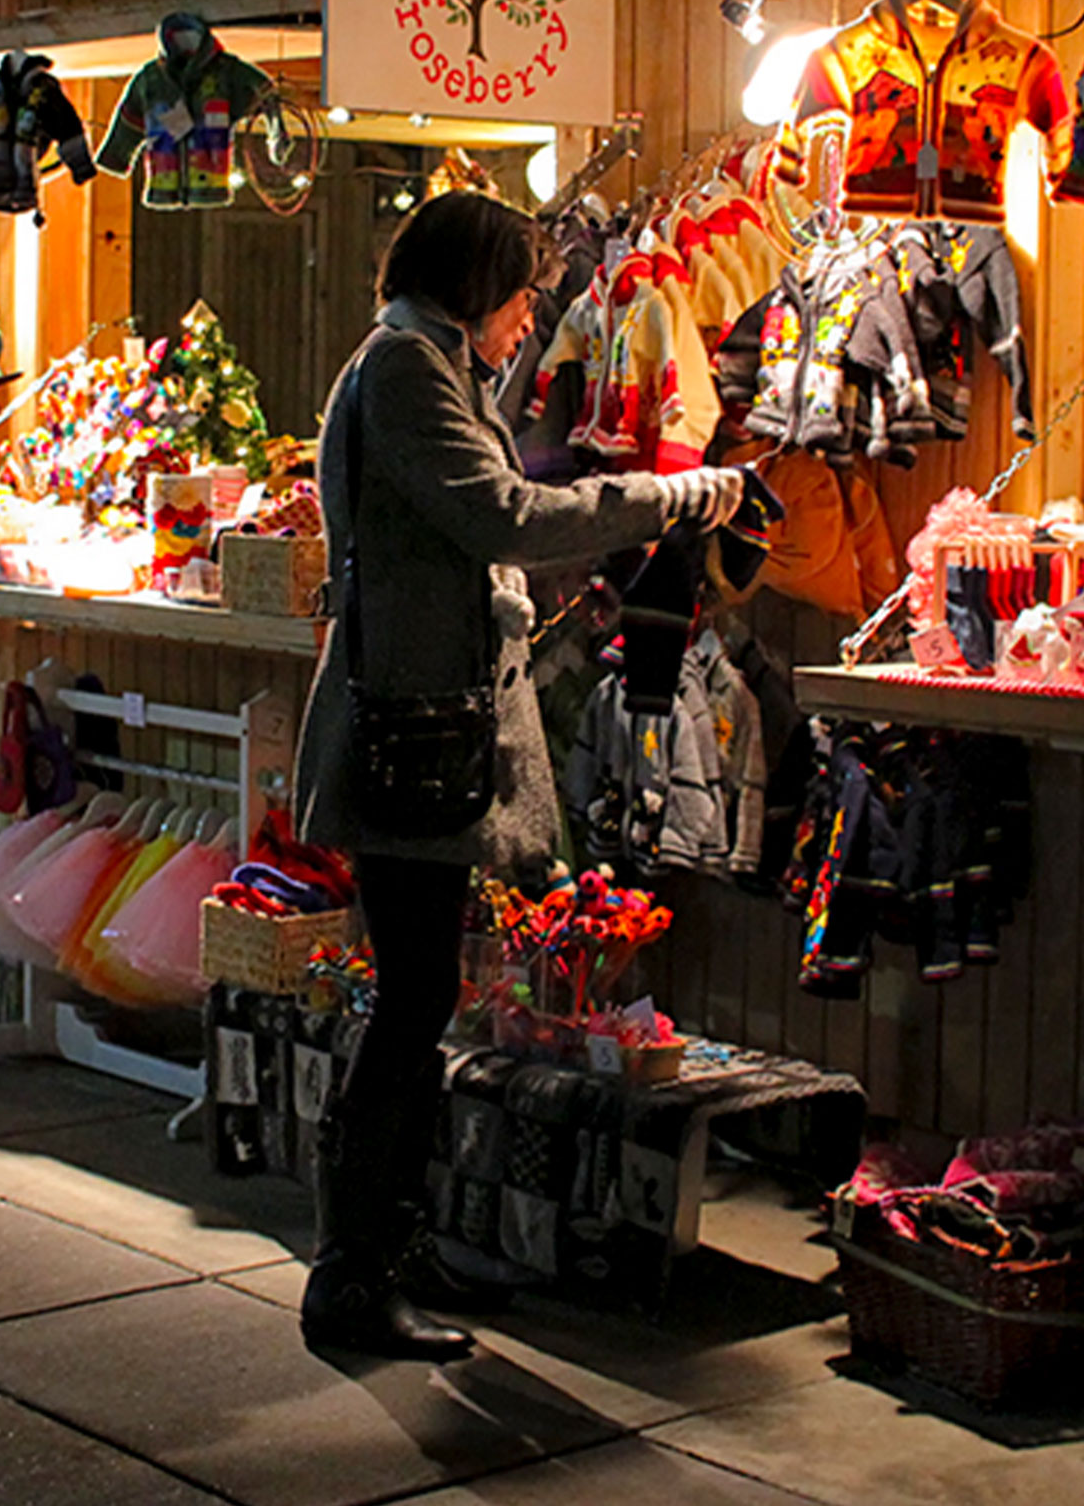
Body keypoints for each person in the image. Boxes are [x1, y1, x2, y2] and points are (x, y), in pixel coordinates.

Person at [292, 190, 742, 1361]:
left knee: (420, 997)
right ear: (477, 282)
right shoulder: (404, 369)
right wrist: (667, 493)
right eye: (524, 290)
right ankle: (352, 1272)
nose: (531, 312)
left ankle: (393, 1242)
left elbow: (456, 540)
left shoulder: (428, 366)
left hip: (425, 722)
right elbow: (495, 513)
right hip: (409, 736)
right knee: (408, 1004)